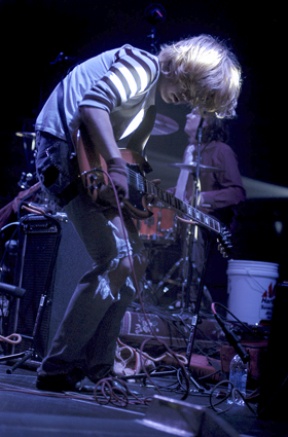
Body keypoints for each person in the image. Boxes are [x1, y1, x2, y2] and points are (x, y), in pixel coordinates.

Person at [34, 34, 242, 392]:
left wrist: (140, 187)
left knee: (136, 261)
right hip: (62, 153)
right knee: (114, 258)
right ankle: (57, 367)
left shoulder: (146, 106)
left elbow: (127, 158)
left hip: (83, 161)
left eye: (200, 100)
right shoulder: (142, 65)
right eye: (196, 89)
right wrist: (115, 162)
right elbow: (92, 106)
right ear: (188, 65)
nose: (191, 100)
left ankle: (98, 368)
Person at [169, 109, 246, 311]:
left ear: (209, 122)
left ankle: (194, 306)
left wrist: (203, 198)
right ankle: (178, 300)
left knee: (193, 240)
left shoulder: (221, 151)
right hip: (184, 222)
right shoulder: (191, 150)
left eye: (193, 113)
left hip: (208, 228)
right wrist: (161, 193)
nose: (187, 115)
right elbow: (183, 194)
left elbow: (237, 193)